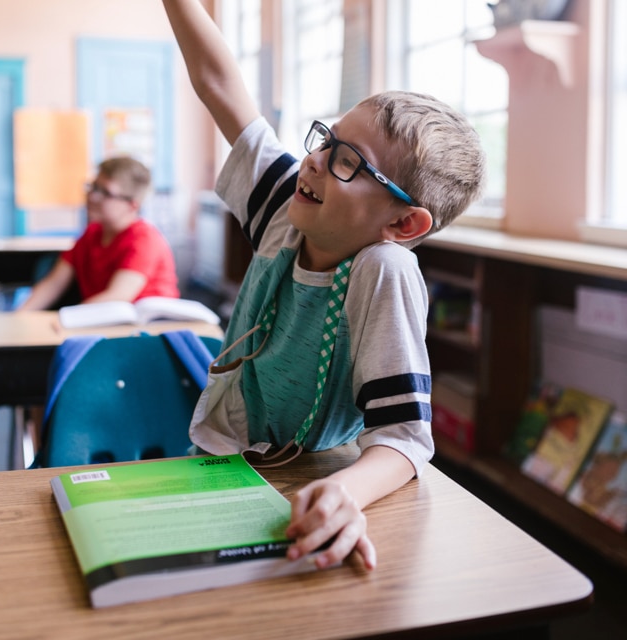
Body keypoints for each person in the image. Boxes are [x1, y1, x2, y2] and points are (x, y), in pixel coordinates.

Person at [163, 0, 485, 571]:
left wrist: (346, 494)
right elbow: (217, 82)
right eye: (323, 141)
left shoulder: (382, 270)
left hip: (310, 479)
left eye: (348, 163)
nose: (314, 162)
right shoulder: (286, 208)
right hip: (223, 461)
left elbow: (405, 438)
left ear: (402, 224)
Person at [17, 156, 179, 311]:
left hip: (150, 331)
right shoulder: (92, 234)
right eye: (93, 187)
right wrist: (19, 316)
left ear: (132, 205)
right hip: (102, 326)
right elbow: (53, 284)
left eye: (106, 193)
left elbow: (118, 296)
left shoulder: (144, 239)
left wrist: (67, 318)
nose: (93, 197)